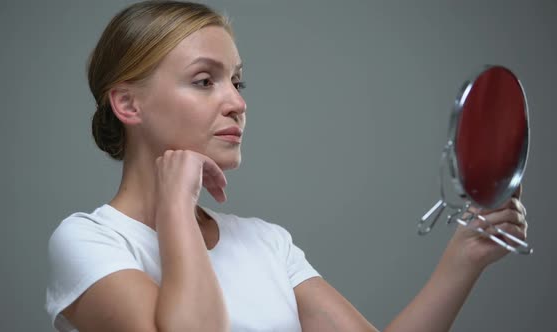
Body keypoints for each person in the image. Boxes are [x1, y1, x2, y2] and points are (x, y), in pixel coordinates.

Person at [45, 1, 529, 331]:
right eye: (203, 80)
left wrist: (464, 258)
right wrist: (175, 206)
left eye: (238, 82)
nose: (236, 102)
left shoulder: (266, 243)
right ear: (128, 104)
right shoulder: (90, 242)